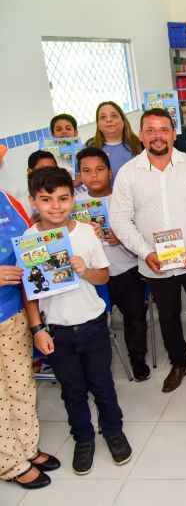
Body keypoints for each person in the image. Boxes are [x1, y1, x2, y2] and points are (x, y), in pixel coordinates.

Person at [26, 167, 132, 476]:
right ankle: (83, 438)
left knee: (102, 385)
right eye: (46, 200)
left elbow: (103, 275)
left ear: (73, 198)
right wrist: (37, 330)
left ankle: (113, 431)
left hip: (92, 323)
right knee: (72, 390)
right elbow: (29, 293)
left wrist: (84, 270)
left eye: (62, 198)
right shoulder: (30, 239)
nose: (55, 206)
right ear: (34, 202)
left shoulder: (86, 232)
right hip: (55, 330)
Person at [109, 108, 186, 393]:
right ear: (141, 134)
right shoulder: (128, 173)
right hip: (155, 262)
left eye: (163, 130)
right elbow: (120, 218)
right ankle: (180, 362)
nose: (157, 136)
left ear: (173, 134)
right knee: (168, 315)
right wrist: (145, 252)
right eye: (150, 130)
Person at [0, 161, 59, 489]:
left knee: (21, 385)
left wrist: (81, 228)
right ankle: (8, 462)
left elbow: (34, 243)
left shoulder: (8, 201)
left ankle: (26, 446)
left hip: (13, 312)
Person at [75, 147, 150, 381]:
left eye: (99, 170)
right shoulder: (75, 204)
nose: (93, 175)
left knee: (135, 316)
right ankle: (97, 365)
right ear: (80, 175)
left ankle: (137, 357)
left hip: (126, 268)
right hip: (93, 273)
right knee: (97, 321)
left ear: (110, 172)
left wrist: (123, 236)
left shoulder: (124, 197)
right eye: (86, 171)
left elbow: (144, 230)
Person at [87, 101, 141, 182]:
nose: (108, 120)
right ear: (98, 125)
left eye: (114, 116)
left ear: (123, 121)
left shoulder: (140, 144)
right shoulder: (89, 147)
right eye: (103, 117)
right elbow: (74, 179)